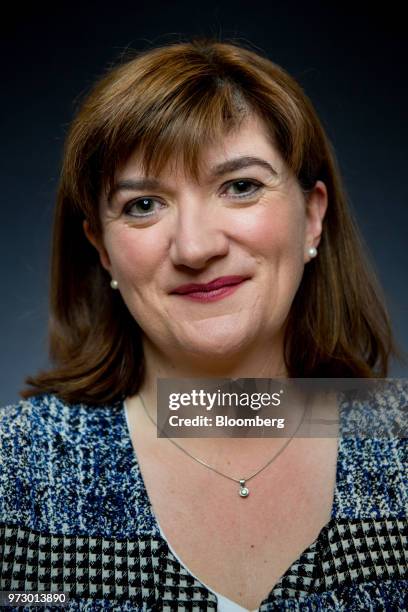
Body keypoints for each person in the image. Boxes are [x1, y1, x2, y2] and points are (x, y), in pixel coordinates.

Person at [0, 38, 406, 611]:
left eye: (240, 187)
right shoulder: (13, 470)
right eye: (143, 204)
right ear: (104, 248)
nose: (194, 247)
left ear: (312, 217)